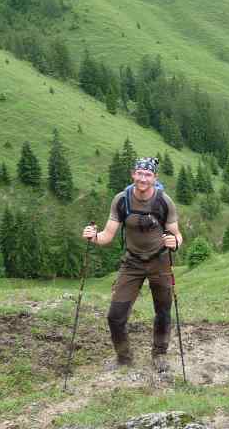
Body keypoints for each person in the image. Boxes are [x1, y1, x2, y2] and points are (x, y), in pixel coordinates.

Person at [83, 156, 183, 375]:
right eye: (139, 173)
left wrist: (174, 242)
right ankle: (124, 358)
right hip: (132, 262)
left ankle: (159, 354)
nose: (143, 178)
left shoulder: (164, 201)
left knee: (163, 311)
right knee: (115, 315)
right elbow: (107, 236)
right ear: (133, 174)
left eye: (147, 175)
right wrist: (93, 237)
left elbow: (177, 235)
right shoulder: (121, 200)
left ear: (155, 178)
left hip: (160, 261)